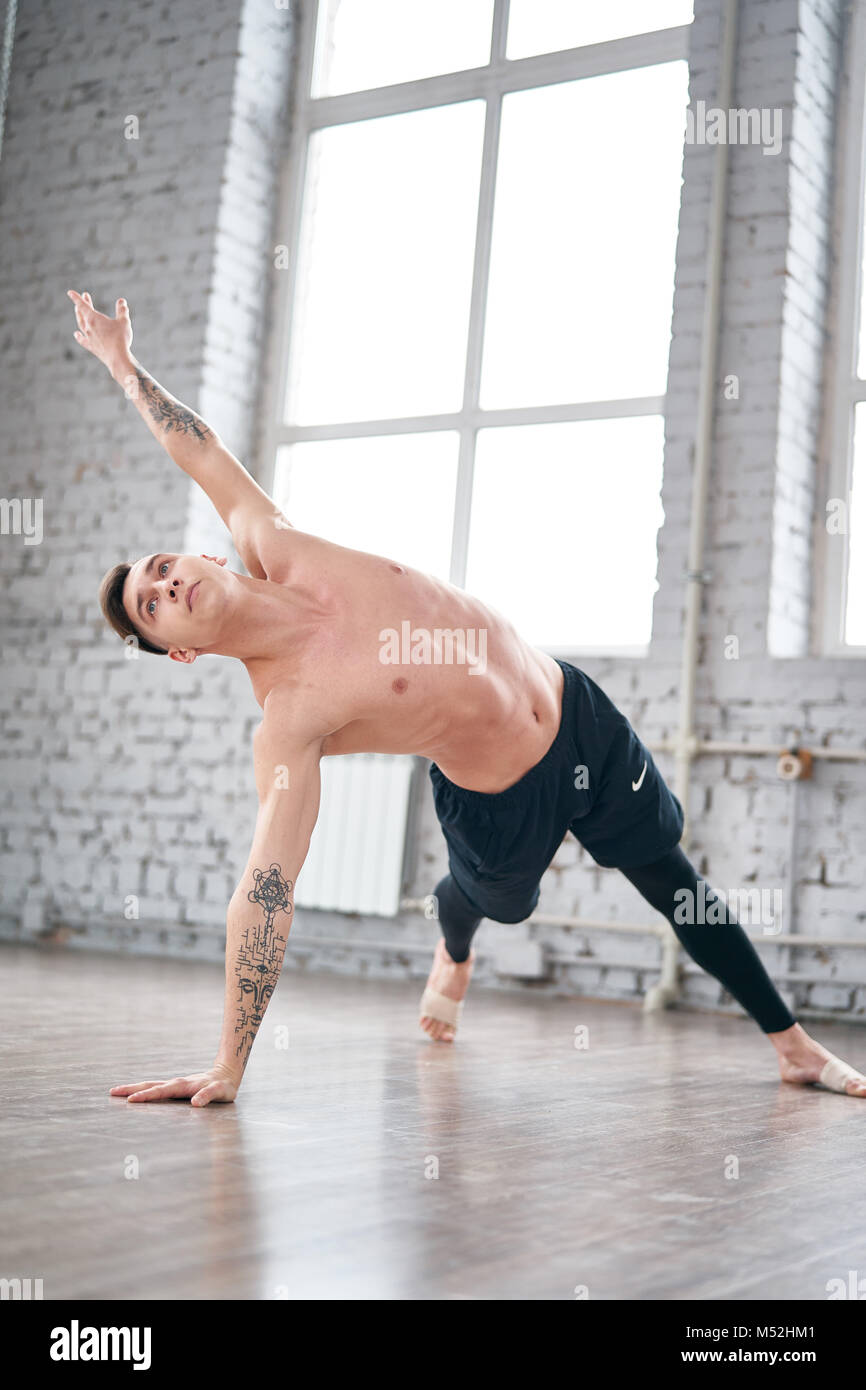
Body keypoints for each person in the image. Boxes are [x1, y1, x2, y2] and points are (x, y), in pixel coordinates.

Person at [66, 289, 866, 1106]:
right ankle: (454, 941)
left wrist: (124, 367)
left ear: (202, 553)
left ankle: (794, 1045)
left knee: (673, 881)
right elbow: (265, 888)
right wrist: (229, 1065)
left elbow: (194, 449)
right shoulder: (290, 721)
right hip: (498, 803)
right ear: (182, 651)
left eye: (164, 568)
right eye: (151, 607)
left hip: (576, 713)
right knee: (492, 905)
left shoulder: (275, 540)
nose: (167, 585)